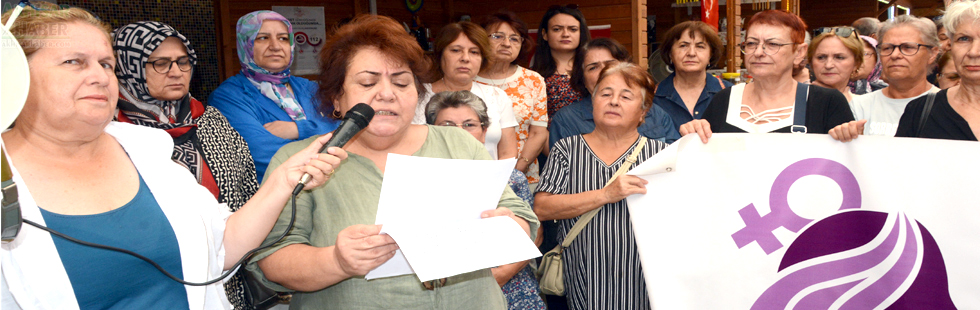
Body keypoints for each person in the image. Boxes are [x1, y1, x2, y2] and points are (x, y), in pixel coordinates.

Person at [0, 4, 340, 309]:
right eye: (74, 61)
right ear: (12, 73)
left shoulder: (147, 149)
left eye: (106, 64)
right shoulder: (6, 176)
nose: (99, 76)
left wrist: (282, 181)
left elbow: (221, 247)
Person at [246, 15, 539, 309]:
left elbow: (520, 217)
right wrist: (336, 261)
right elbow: (274, 260)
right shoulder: (302, 161)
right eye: (367, 82)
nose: (387, 94)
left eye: (401, 83)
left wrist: (509, 227)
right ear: (336, 97)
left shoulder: (458, 143)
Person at [111, 21, 260, 309]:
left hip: (230, 273)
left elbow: (247, 189)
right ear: (128, 67)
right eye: (161, 63)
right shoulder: (112, 132)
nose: (176, 72)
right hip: (156, 281)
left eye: (183, 62)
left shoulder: (210, 119)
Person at [536, 62, 668, 310]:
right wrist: (606, 194)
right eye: (605, 93)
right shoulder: (567, 149)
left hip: (643, 279)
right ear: (593, 102)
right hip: (584, 277)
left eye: (626, 96)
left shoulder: (659, 155)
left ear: (643, 111)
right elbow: (542, 207)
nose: (614, 101)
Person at [423, 91, 546, 310]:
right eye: (448, 125)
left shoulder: (511, 177)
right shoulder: (420, 177)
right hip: (445, 290)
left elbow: (534, 235)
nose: (459, 133)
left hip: (511, 283)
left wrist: (499, 275)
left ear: (484, 132)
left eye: (469, 124)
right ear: (430, 131)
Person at [680, 10, 855, 143]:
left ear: (799, 52)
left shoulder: (826, 104)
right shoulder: (724, 100)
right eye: (751, 43)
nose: (758, 52)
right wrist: (693, 135)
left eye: (772, 44)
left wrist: (849, 139)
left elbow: (845, 172)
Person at [209, 10, 340, 182]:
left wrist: (297, 130)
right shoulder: (229, 97)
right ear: (245, 44)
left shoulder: (308, 87)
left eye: (283, 38)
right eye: (262, 38)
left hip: (329, 185)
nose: (275, 46)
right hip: (276, 196)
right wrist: (331, 145)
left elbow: (352, 125)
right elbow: (264, 154)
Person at [412, 21, 519, 160]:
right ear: (440, 54)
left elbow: (508, 153)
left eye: (474, 52)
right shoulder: (417, 95)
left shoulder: (497, 96)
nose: (465, 58)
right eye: (456, 50)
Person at [552, 38, 680, 147]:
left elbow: (673, 162)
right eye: (593, 67)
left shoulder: (656, 113)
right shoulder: (566, 119)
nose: (603, 72)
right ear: (582, 79)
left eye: (611, 64)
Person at [830, 15, 940, 141]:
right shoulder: (861, 106)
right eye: (887, 48)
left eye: (908, 47)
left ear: (932, 54)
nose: (895, 55)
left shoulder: (946, 106)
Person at [475, 11, 548, 186]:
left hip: (523, 176)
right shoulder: (468, 78)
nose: (506, 43)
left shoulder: (533, 80)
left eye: (514, 39)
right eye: (497, 36)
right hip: (475, 173)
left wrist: (515, 171)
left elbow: (538, 132)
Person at [894, 1, 979, 141]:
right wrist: (855, 140)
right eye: (964, 39)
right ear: (951, 45)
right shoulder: (920, 110)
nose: (974, 52)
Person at [653, 21, 731, 132]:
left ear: (711, 55)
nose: (691, 53)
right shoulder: (652, 98)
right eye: (683, 45)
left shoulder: (730, 94)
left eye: (700, 46)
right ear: (670, 54)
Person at [531, 5, 590, 118]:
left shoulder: (593, 69)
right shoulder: (532, 75)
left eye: (573, 29)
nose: (565, 34)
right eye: (557, 29)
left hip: (589, 133)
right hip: (548, 134)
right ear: (545, 34)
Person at [808, 26, 865, 102]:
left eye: (839, 57)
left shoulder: (865, 106)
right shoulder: (795, 101)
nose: (828, 65)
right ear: (811, 62)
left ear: (856, 63)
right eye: (821, 57)